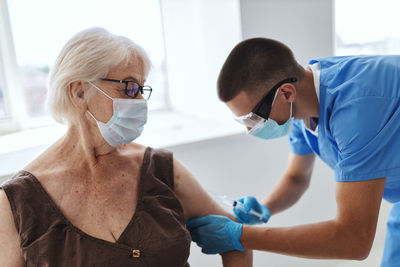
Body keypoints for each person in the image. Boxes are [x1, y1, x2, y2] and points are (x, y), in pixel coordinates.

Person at [0, 27, 252, 267]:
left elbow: (237, 237)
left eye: (143, 89)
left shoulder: (159, 169)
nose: (141, 101)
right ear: (79, 93)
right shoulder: (18, 203)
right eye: (130, 88)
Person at [187, 37, 400, 266]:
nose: (250, 129)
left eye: (253, 118)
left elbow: (353, 240)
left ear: (286, 93)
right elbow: (297, 178)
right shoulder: (305, 99)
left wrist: (240, 236)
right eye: (243, 121)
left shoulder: (357, 110)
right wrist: (265, 208)